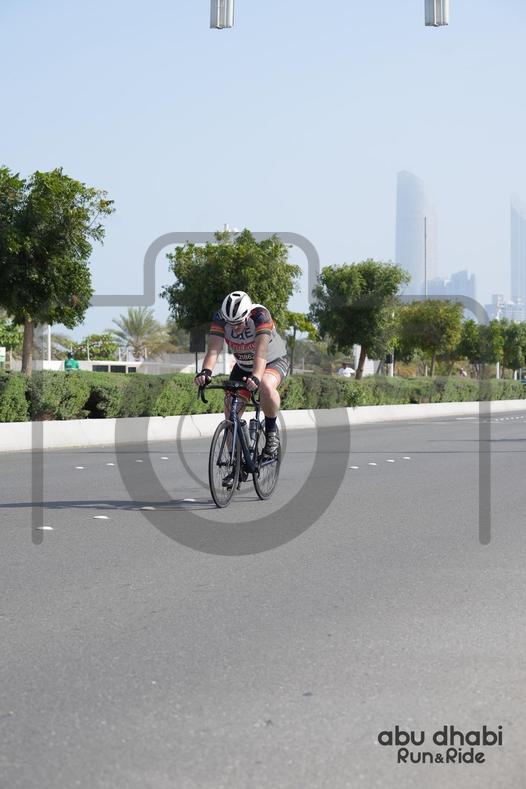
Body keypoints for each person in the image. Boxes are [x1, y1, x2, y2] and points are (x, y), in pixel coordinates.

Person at [194, 291, 289, 461]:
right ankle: (236, 462)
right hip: (243, 366)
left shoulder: (260, 316)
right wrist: (205, 372)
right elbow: (214, 349)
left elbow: (261, 352)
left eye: (238, 323)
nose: (234, 328)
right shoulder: (220, 318)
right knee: (231, 413)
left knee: (266, 385)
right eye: (230, 324)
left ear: (247, 315)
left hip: (272, 361)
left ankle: (271, 433)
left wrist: (256, 377)